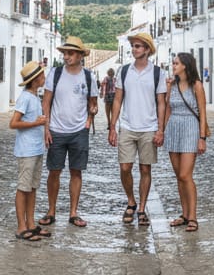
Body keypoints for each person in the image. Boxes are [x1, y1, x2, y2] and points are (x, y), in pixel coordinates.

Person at [108, 32, 168, 226]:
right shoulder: (124, 71)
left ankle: (141, 208)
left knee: (145, 168)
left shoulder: (158, 73)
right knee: (125, 167)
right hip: (127, 125)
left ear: (147, 50)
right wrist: (112, 127)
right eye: (133, 46)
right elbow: (118, 99)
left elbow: (161, 103)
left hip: (149, 127)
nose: (134, 49)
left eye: (138, 46)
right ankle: (131, 201)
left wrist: (160, 129)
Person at [41, 36, 99, 227]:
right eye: (65, 53)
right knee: (54, 172)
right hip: (56, 130)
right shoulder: (55, 73)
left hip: (79, 131)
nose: (66, 56)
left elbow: (93, 104)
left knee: (76, 172)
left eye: (71, 53)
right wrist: (46, 128)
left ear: (80, 55)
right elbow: (46, 102)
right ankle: (51, 211)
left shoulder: (89, 77)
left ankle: (73, 213)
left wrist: (89, 120)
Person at [164, 52, 209, 232]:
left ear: (185, 65)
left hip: (191, 129)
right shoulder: (172, 85)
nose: (173, 66)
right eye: (173, 63)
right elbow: (168, 109)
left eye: (176, 63)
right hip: (173, 129)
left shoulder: (196, 85)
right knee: (179, 176)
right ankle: (184, 214)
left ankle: (193, 216)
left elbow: (203, 113)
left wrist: (202, 138)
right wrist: (162, 131)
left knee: (185, 175)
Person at [10, 61, 50, 241]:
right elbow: (13, 123)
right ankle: (21, 227)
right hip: (26, 151)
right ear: (34, 80)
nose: (44, 78)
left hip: (36, 149)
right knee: (23, 188)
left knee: (32, 188)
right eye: (41, 75)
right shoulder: (25, 98)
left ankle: (31, 224)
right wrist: (36, 123)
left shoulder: (35, 97)